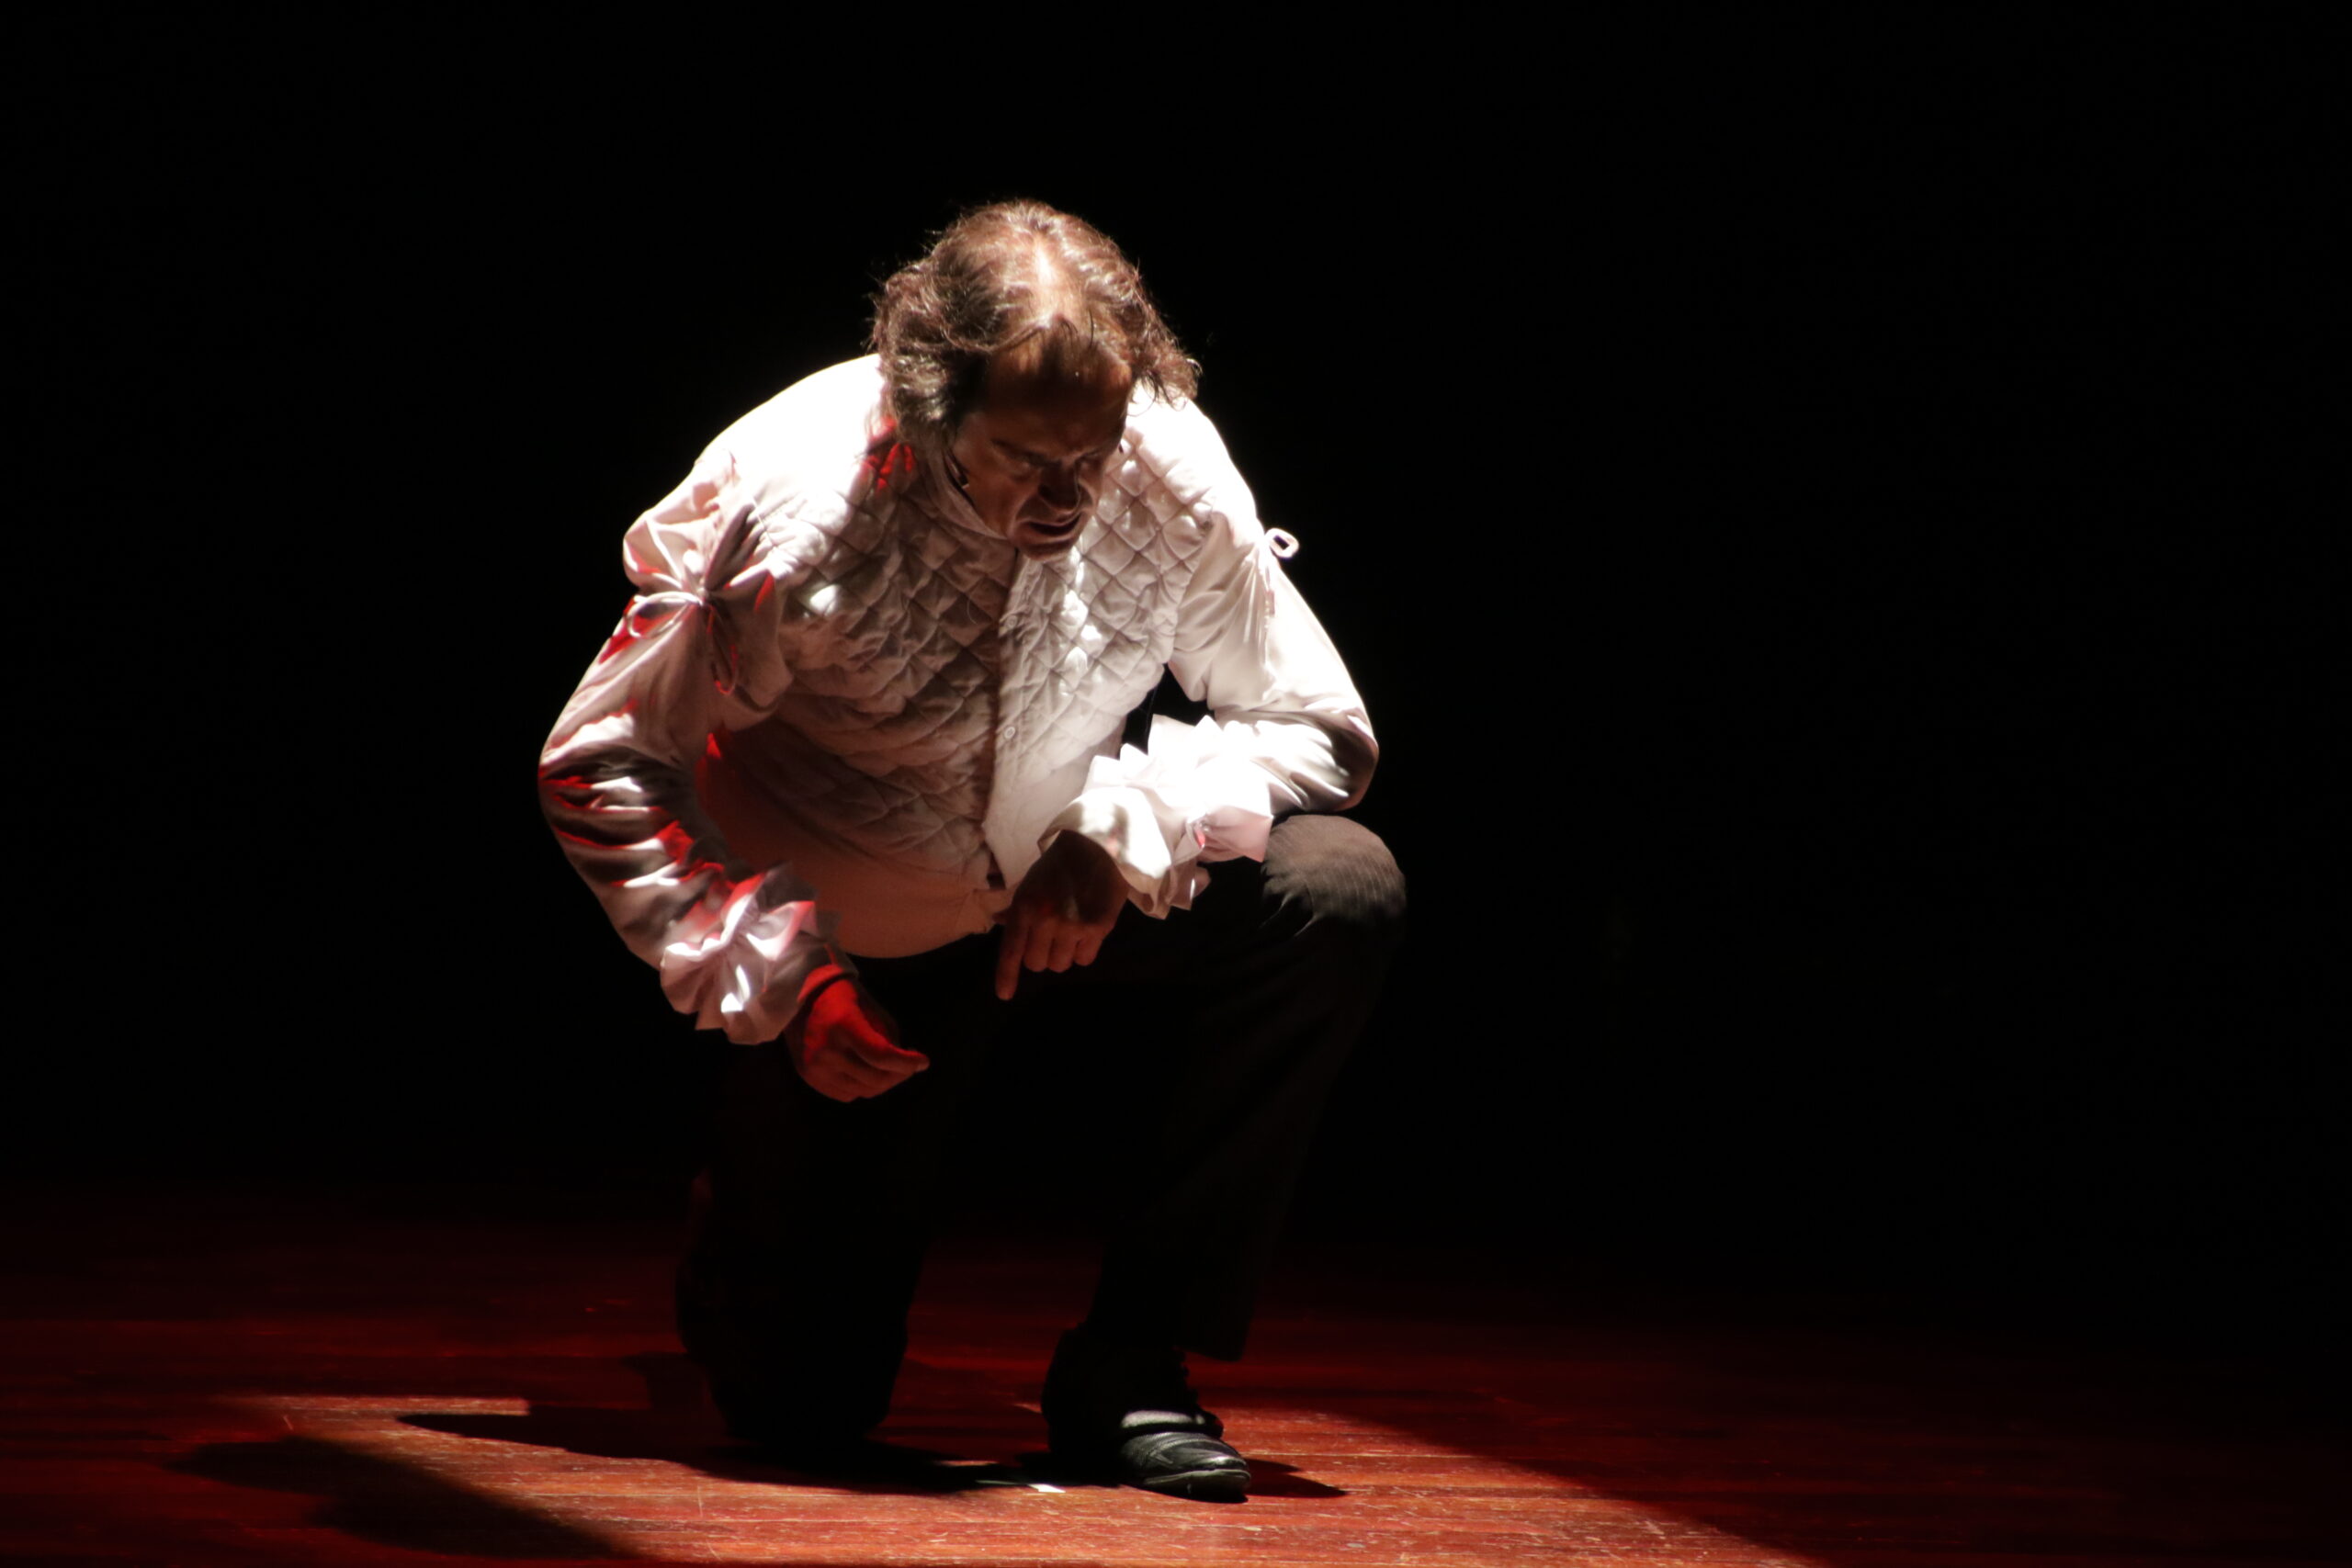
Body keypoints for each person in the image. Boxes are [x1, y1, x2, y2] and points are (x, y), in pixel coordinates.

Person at [538, 200, 1403, 1499]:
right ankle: (759, 1196)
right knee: (802, 1412)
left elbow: (1317, 720)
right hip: (862, 957)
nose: (1071, 497)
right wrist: (784, 980)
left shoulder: (1165, 458)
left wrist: (1121, 834)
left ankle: (1133, 1360)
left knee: (1338, 892)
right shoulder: (796, 501)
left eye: (1093, 455)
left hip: (1068, 894)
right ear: (933, 407)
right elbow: (602, 762)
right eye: (1027, 460)